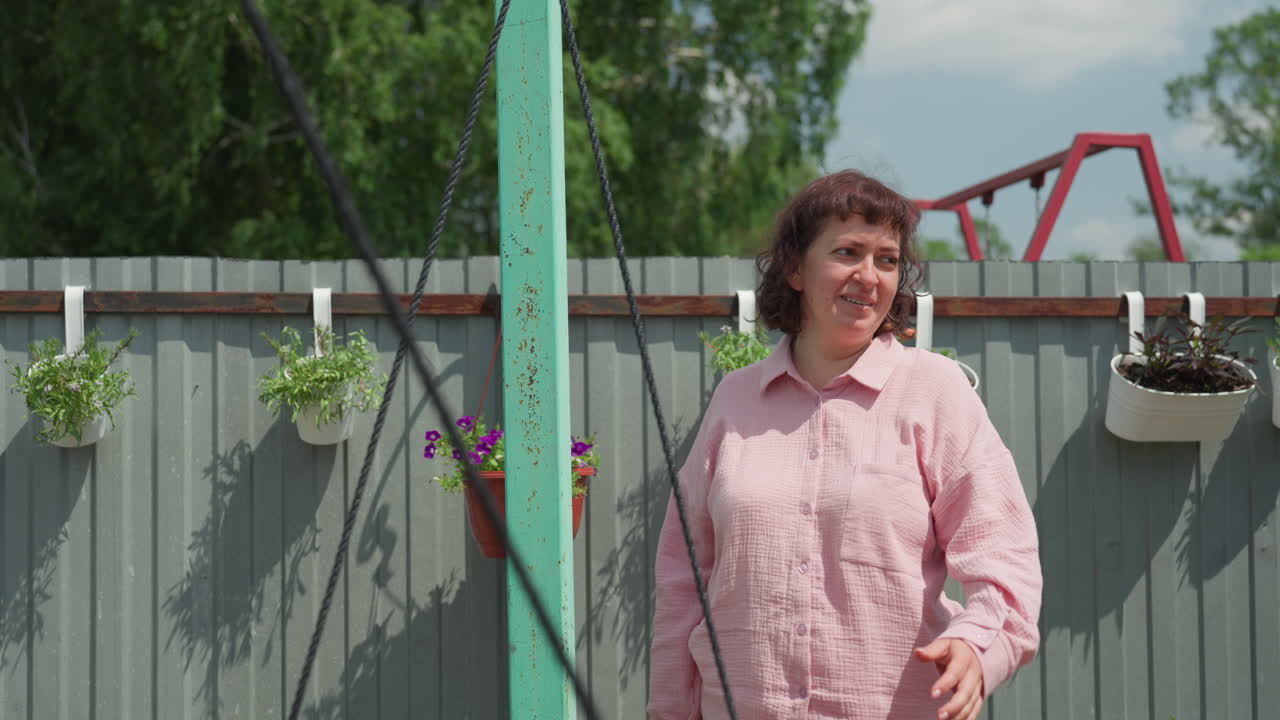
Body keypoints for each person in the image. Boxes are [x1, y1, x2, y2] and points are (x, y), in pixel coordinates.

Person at [647, 170, 1041, 720]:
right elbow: (681, 581)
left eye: (887, 258)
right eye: (848, 251)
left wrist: (976, 646)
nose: (869, 275)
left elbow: (1007, 564)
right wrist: (669, 709)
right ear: (794, 268)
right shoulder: (734, 402)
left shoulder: (936, 392)